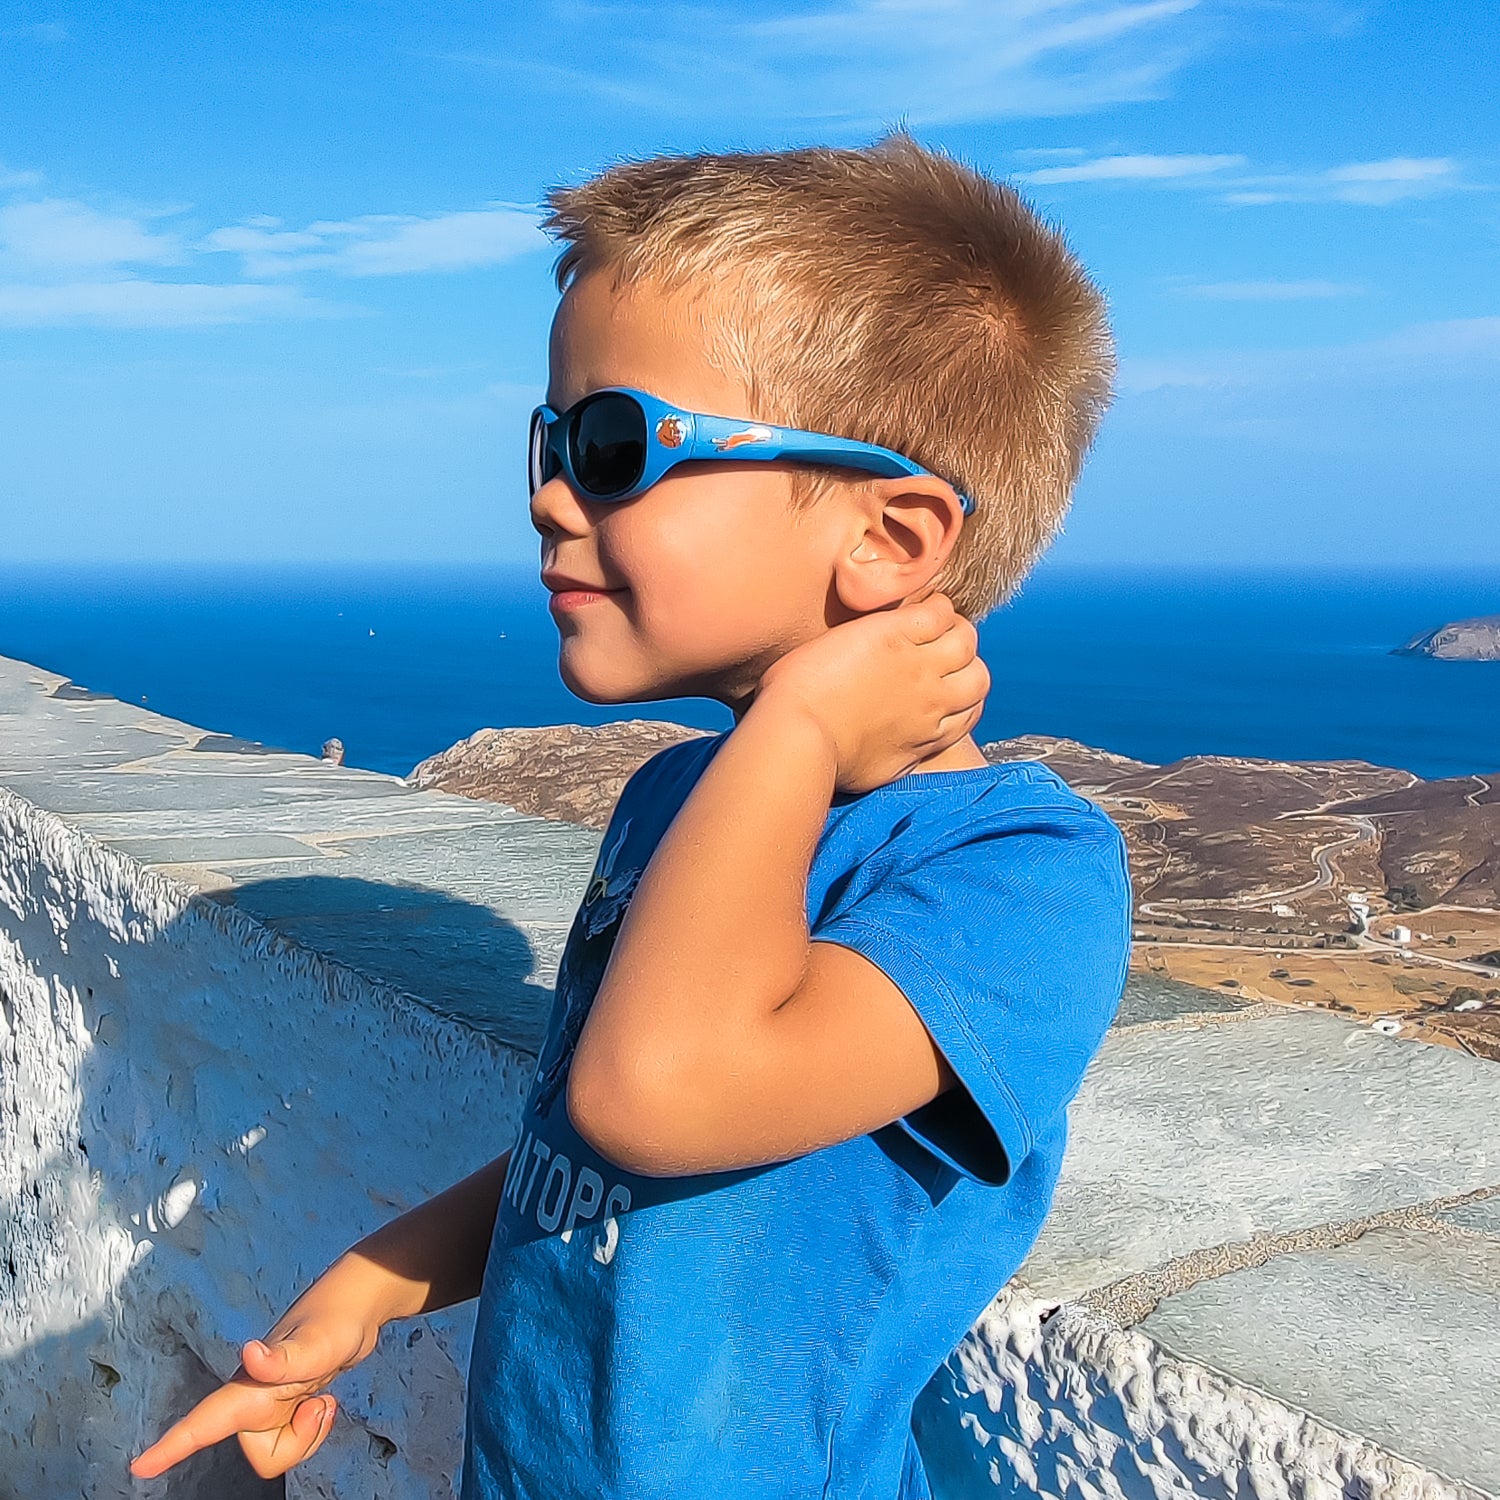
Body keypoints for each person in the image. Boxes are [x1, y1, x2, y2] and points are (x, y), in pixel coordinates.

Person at [132, 136, 1131, 1498]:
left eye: (611, 445)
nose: (547, 492)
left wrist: (795, 728)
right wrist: (378, 1279)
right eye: (548, 438)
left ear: (889, 542)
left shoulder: (1013, 881)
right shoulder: (686, 802)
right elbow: (581, 1153)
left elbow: (656, 1094)